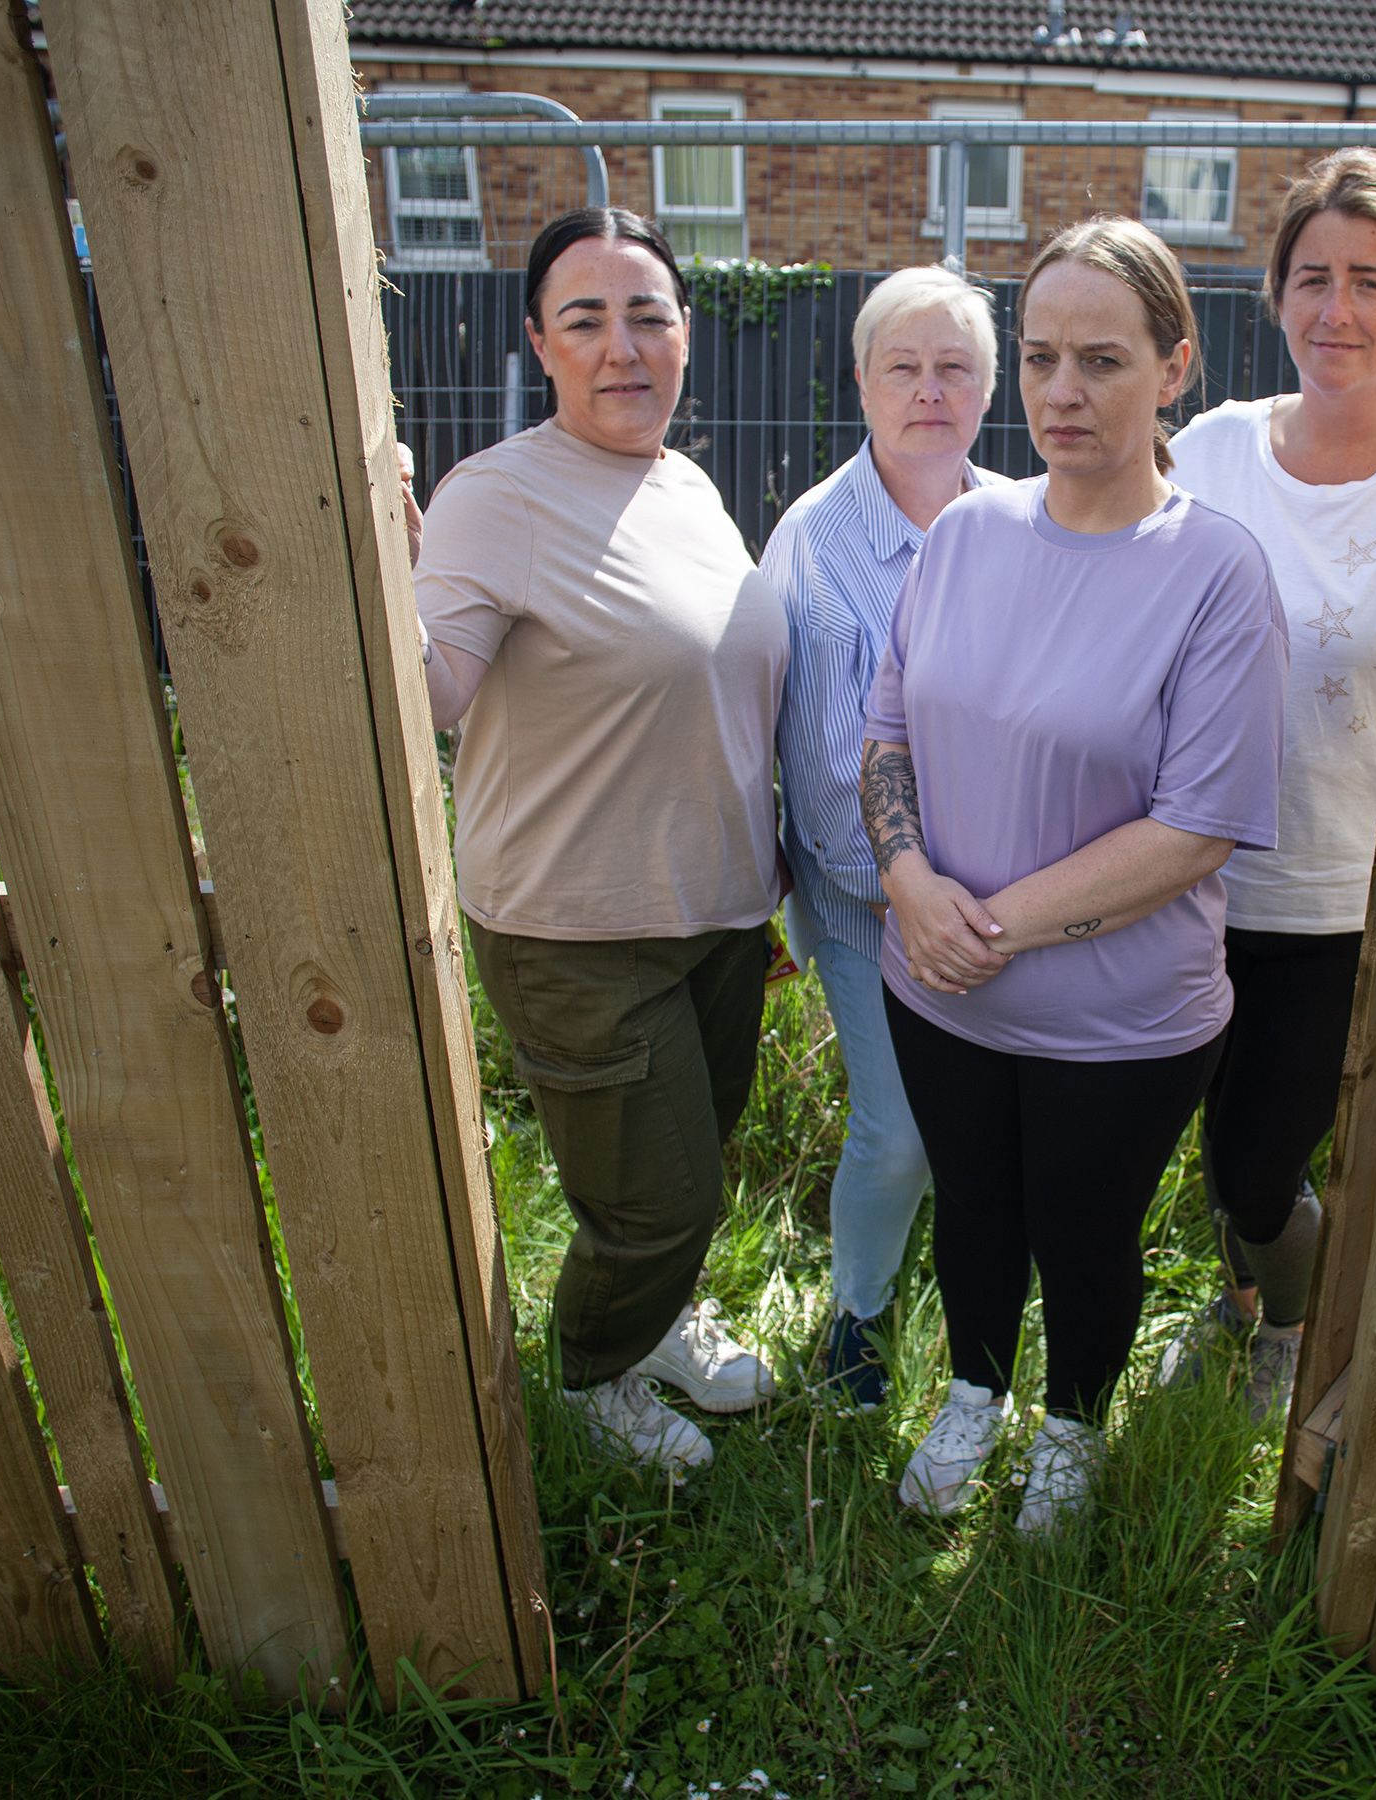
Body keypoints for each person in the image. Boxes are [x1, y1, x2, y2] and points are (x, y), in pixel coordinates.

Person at [860, 217, 1289, 1532]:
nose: (1060, 392)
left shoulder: (1215, 573)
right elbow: (885, 734)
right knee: (976, 1215)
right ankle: (976, 1394)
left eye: (1100, 360)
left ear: (1174, 368)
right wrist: (907, 883)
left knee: (1083, 1239)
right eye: (1040, 357)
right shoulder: (965, 537)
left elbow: (1196, 827)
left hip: (1118, 1020)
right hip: (935, 989)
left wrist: (983, 926)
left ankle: (1071, 1427)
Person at [413, 207, 786, 1472]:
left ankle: (659, 1318)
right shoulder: (496, 494)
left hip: (721, 915)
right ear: (540, 342)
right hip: (580, 927)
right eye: (587, 319)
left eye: (649, 316)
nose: (623, 346)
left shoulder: (685, 482)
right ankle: (589, 1378)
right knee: (657, 1199)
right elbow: (434, 690)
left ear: (685, 337)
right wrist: (355, 554)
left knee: (690, 1157)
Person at [1154, 149, 1376, 1422]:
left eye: (1371, 282)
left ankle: (1291, 1319)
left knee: (1260, 1165)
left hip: (1336, 895)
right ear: (1275, 294)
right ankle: (1238, 1304)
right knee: (1206, 1155)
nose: (1337, 310)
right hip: (1181, 877)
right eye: (1312, 277)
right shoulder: (1212, 453)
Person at [769, 267, 1008, 1407]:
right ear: (861, 382)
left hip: (1012, 910)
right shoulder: (811, 542)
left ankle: (982, 1321)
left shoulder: (1023, 523)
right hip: (869, 905)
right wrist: (896, 888)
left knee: (989, 1134)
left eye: (954, 367)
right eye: (903, 367)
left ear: (988, 388)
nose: (929, 390)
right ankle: (858, 1318)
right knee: (901, 1135)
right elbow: (806, 761)